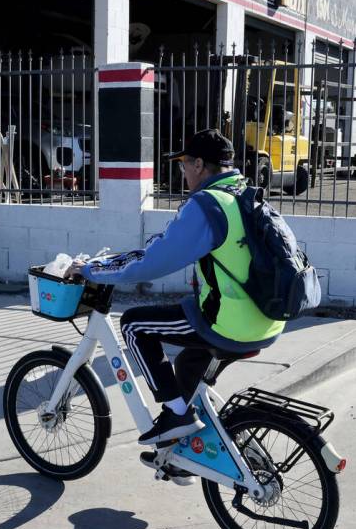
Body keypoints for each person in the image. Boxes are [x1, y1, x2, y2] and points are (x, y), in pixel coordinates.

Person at [70, 128, 285, 455]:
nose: (182, 171)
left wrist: (94, 271)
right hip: (266, 319)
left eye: (184, 164)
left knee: (134, 325)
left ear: (199, 164)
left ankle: (177, 417)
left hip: (228, 323)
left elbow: (152, 266)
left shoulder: (206, 204)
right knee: (186, 365)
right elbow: (173, 246)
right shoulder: (244, 195)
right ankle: (178, 455)